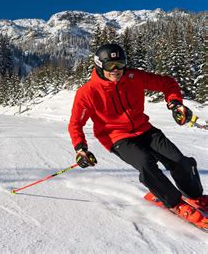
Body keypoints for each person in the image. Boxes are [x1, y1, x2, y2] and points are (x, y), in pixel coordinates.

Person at [68, 43, 206, 225]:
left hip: (144, 129)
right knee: (146, 164)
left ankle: (196, 196)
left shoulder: (134, 77)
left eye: (120, 64)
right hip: (116, 137)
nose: (116, 70)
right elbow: (75, 124)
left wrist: (175, 103)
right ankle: (175, 203)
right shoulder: (87, 93)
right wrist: (80, 148)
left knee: (180, 161)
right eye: (110, 66)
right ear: (99, 66)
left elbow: (167, 83)